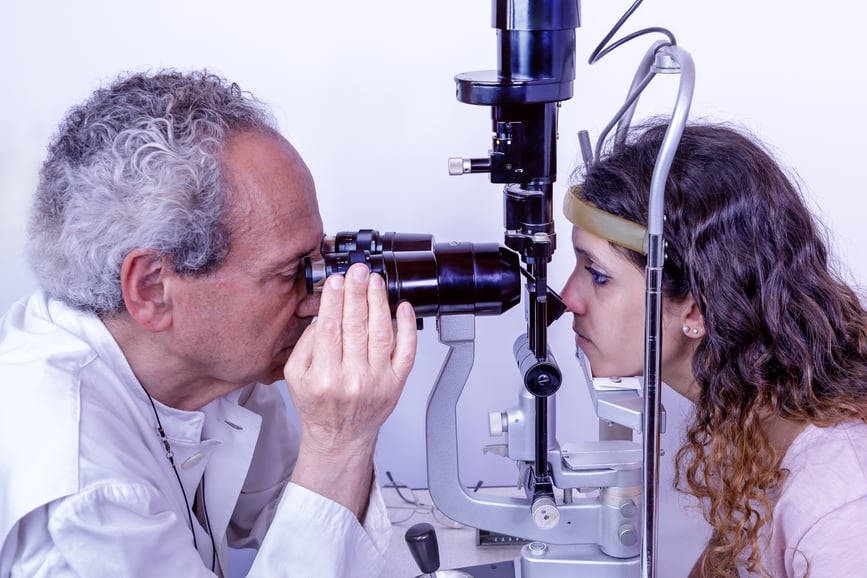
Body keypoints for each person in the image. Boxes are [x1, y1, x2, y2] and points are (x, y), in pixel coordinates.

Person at [0, 69, 418, 577]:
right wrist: (338, 441)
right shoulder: (86, 499)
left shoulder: (210, 367)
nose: (315, 298)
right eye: (290, 272)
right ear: (153, 288)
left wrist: (344, 430)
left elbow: (293, 513)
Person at [560, 120, 867, 577]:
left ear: (696, 310)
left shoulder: (840, 508)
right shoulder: (749, 431)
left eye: (598, 275)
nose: (567, 297)